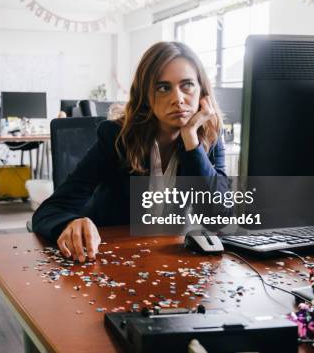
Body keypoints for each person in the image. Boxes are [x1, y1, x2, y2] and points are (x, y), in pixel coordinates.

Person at [32, 41, 226, 262]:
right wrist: (69, 223)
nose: (178, 99)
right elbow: (49, 211)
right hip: (115, 260)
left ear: (202, 91)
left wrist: (191, 140)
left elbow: (218, 220)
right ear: (146, 95)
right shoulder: (117, 138)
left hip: (171, 261)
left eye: (187, 85)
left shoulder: (209, 138)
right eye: (163, 88)